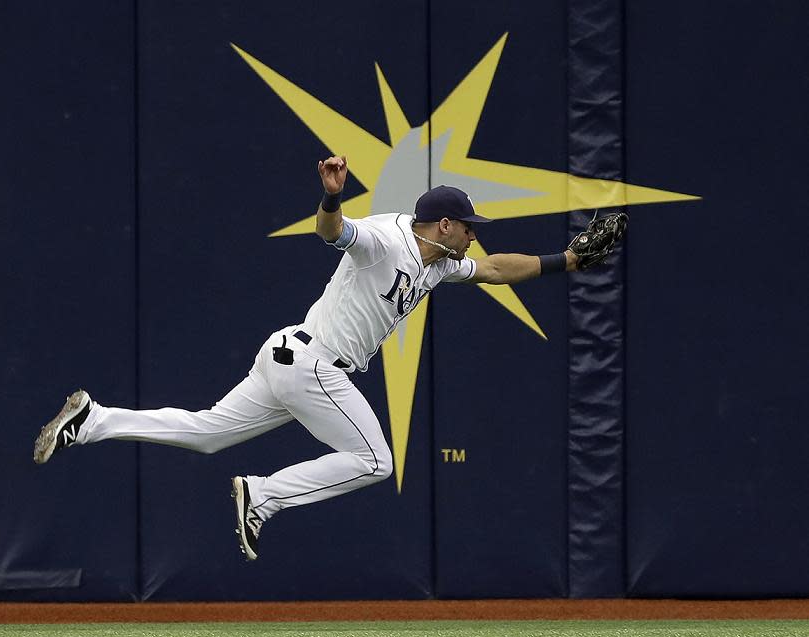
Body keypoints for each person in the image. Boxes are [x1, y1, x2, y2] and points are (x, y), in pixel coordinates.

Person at [33, 155, 596, 562]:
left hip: (287, 358)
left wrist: (566, 260)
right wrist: (331, 196)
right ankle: (263, 494)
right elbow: (333, 232)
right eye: (471, 227)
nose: (476, 237)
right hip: (314, 364)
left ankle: (93, 420)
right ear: (445, 225)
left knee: (205, 433)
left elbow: (499, 269)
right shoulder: (386, 238)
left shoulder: (438, 263)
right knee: (376, 461)